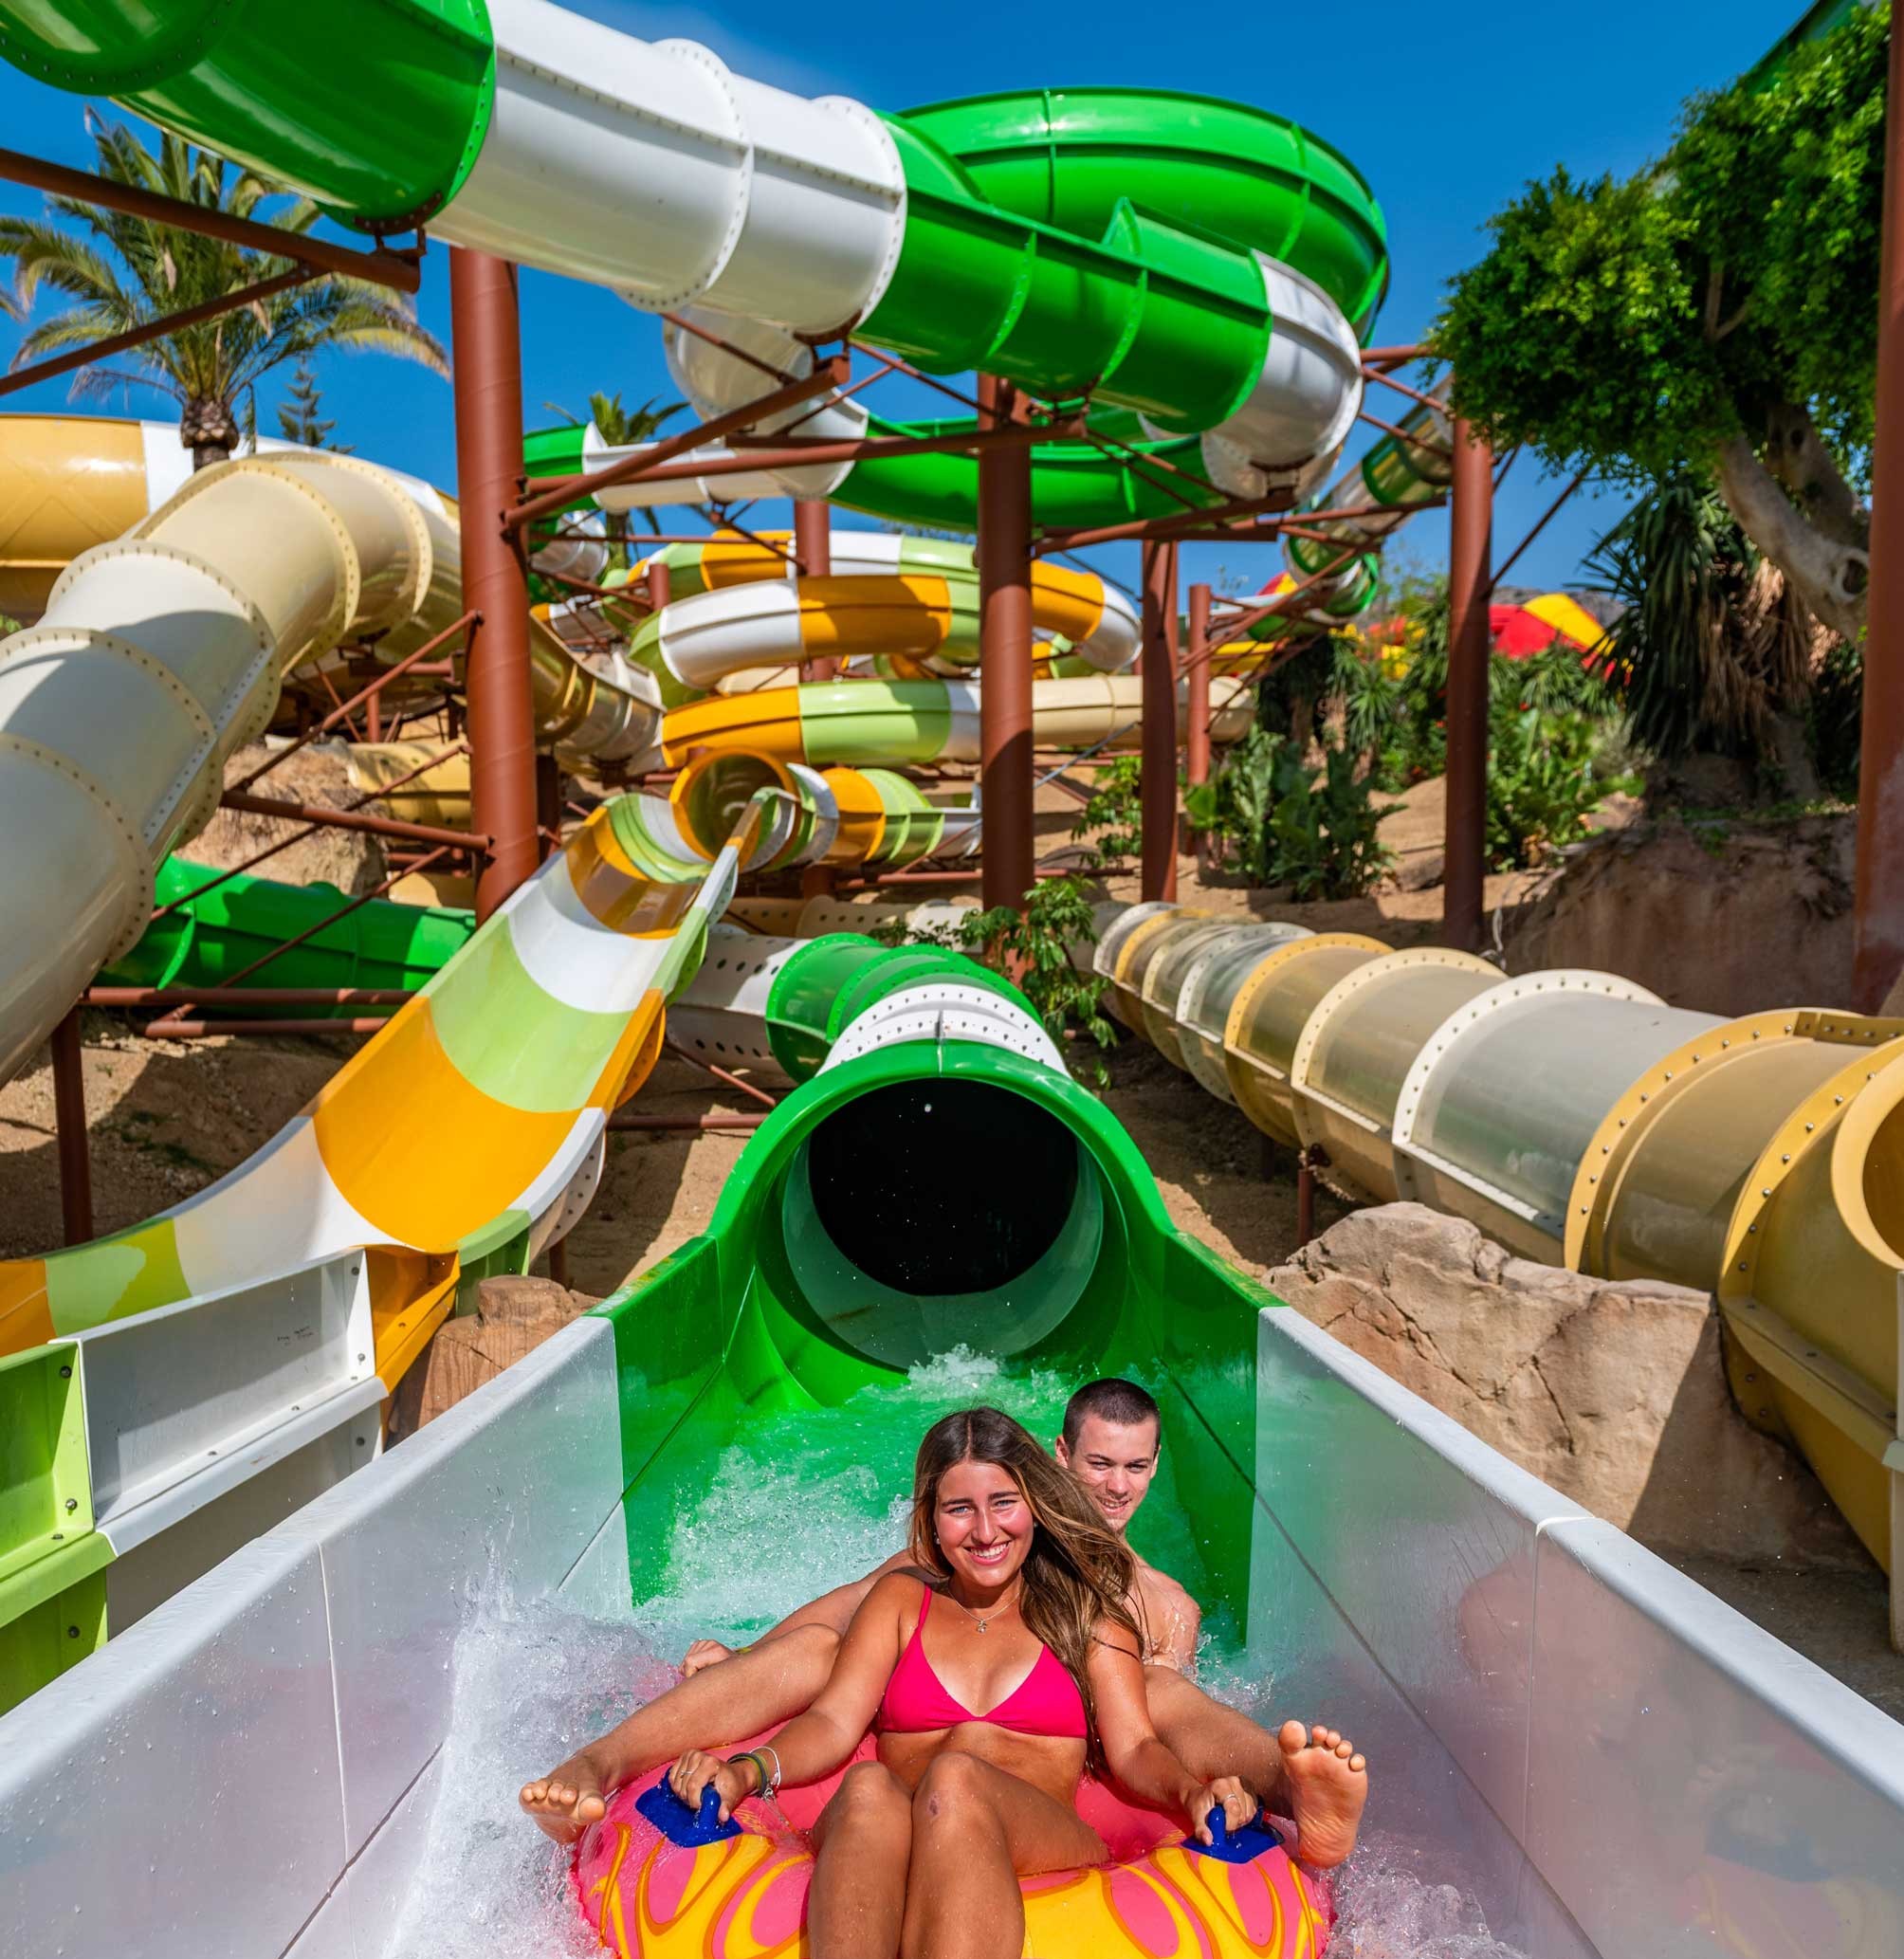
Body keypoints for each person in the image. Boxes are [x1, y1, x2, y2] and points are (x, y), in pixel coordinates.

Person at [522, 1379, 1367, 1865]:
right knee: (824, 1649)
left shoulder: (1163, 1604)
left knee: (1154, 1686)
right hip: (929, 1755)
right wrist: (747, 1653)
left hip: (1078, 1752)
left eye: (1135, 1467)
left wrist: (1189, 1788)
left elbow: (1152, 1735)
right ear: (1059, 1462)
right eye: (1097, 1464)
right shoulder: (952, 1556)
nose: (1115, 1486)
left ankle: (1295, 1789)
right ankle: (603, 1761)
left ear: (1154, 1469)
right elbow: (852, 1603)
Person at [673, 1407, 1258, 1959]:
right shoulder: (902, 1600)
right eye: (959, 1509)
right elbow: (831, 1722)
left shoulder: (1087, 1614)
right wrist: (747, 1770)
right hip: (906, 1816)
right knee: (868, 1789)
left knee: (955, 1780)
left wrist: (1188, 1791)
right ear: (930, 1515)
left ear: (1034, 1503)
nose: (985, 1531)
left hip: (1041, 1833)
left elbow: (1133, 1748)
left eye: (1004, 1503)